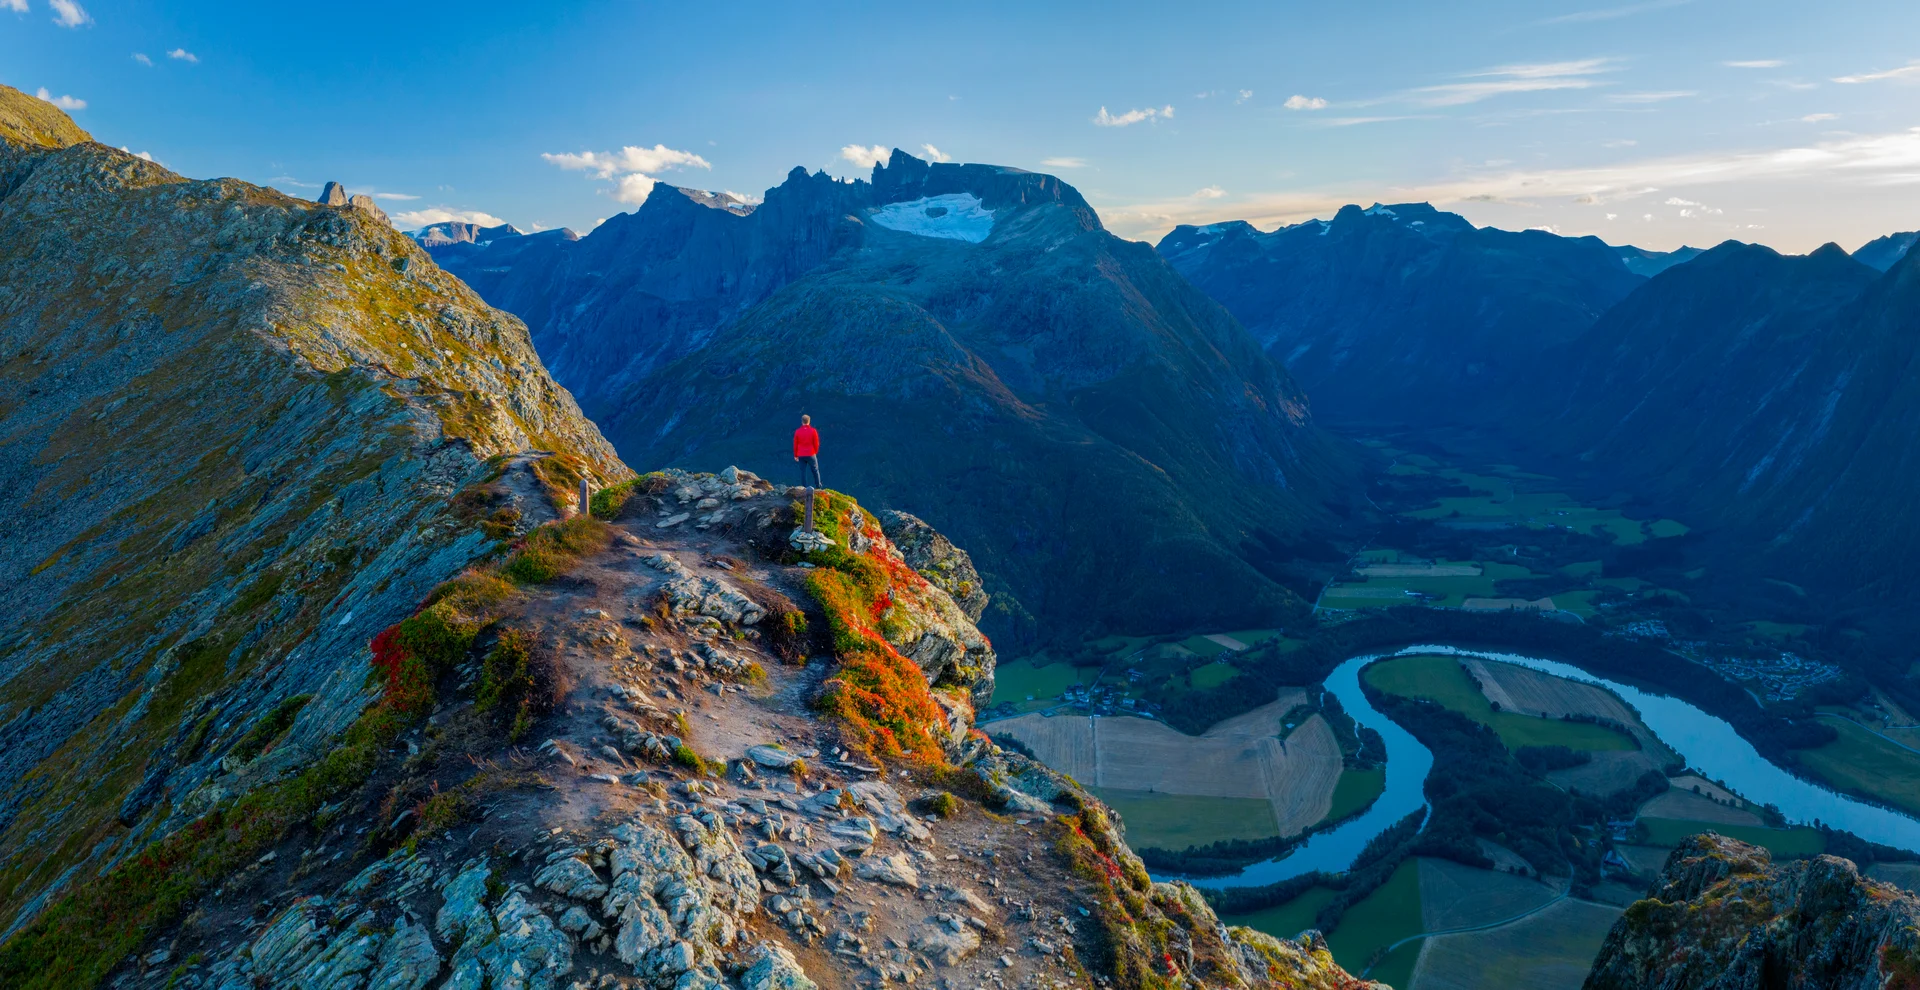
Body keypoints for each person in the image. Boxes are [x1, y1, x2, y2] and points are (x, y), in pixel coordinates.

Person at [793, 414, 822, 489]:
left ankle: (804, 487)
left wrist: (796, 455)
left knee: (803, 471)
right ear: (809, 421)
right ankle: (818, 486)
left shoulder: (798, 431)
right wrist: (815, 451)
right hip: (811, 453)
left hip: (801, 454)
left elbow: (795, 444)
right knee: (815, 470)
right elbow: (816, 443)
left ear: (802, 421)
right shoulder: (813, 431)